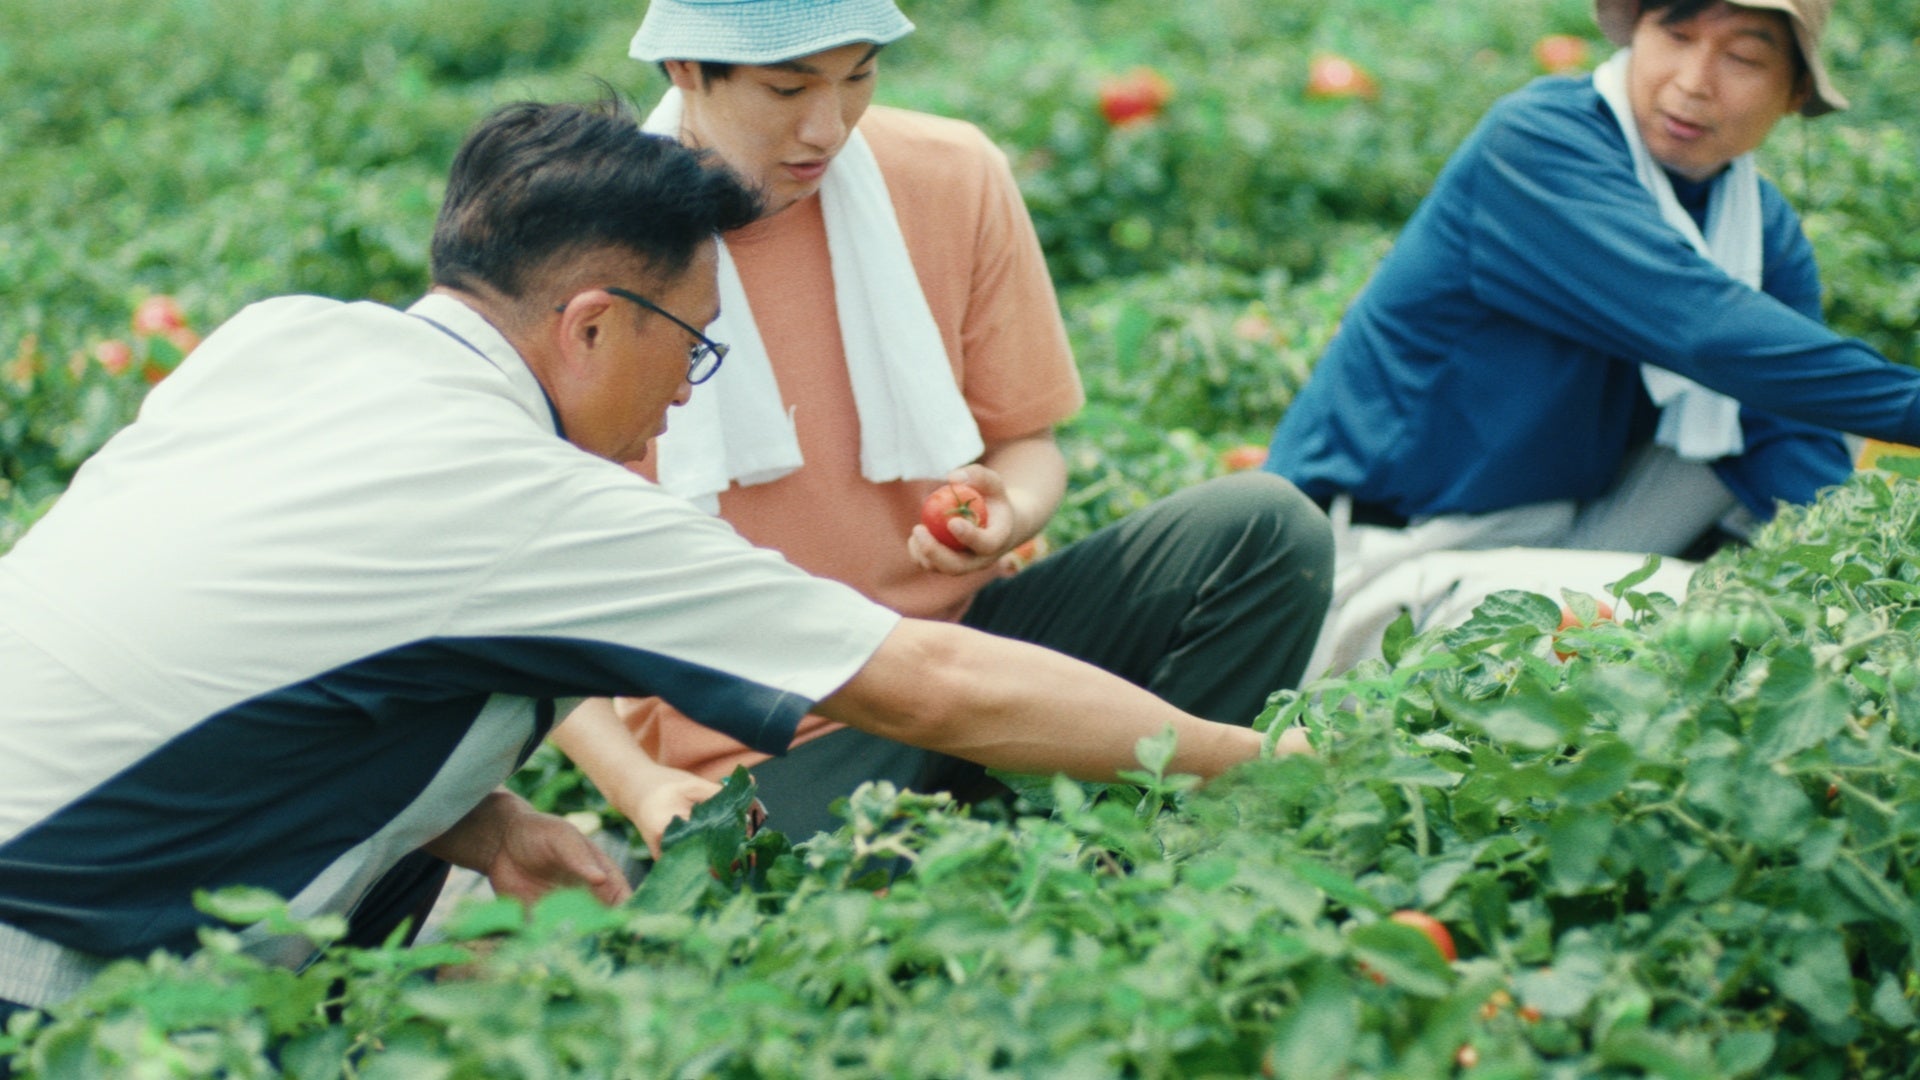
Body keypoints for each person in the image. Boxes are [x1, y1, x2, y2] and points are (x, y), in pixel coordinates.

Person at [0, 97, 1303, 1020]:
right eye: (694, 343)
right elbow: (930, 686)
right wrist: (1270, 761)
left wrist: (482, 819)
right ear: (593, 325)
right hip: (66, 984)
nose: (690, 391)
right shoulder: (527, 498)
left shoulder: (285, 338)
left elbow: (248, 641)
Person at [550, 0, 1334, 846]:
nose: (828, 127)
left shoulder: (949, 173)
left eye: (858, 78)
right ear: (683, 70)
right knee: (793, 885)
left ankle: (1154, 843)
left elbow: (1026, 446)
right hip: (767, 728)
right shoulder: (591, 241)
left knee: (1266, 532)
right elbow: (528, 585)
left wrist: (1011, 514)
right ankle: (1079, 831)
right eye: (787, 88)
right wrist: (638, 785)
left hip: (978, 656)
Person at [1263, 0, 1920, 676]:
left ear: (1794, 94)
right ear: (1636, 34)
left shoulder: (1758, 230)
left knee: (1824, 437)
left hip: (1557, 524)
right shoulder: (1540, 143)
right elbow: (1704, 328)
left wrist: (1871, 590)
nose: (1694, 81)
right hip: (1375, 560)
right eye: (1677, 34)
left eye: (1744, 58)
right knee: (1709, 616)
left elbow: (1787, 437)